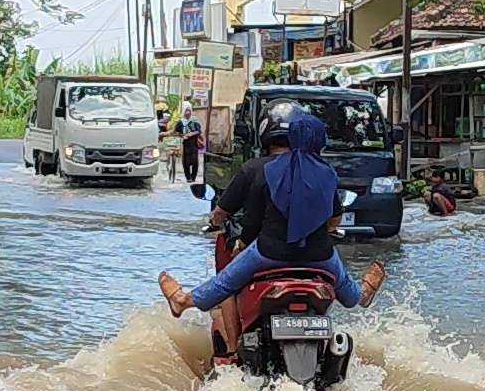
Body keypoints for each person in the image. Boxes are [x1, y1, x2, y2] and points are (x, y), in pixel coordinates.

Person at [159, 109, 386, 315]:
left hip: (269, 253)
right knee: (351, 294)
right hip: (319, 256)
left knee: (226, 281)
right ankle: (363, 296)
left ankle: (183, 301)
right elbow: (334, 219)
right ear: (321, 142)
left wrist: (244, 240)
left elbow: (252, 218)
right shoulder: (327, 174)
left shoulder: (267, 170)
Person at [178, 102, 202, 183]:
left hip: (194, 143)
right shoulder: (181, 122)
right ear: (183, 111)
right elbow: (176, 131)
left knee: (195, 161)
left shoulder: (194, 121)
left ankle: (194, 177)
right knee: (185, 161)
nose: (188, 112)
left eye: (189, 110)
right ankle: (188, 177)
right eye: (186, 110)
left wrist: (191, 134)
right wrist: (182, 135)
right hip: (185, 144)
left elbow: (199, 131)